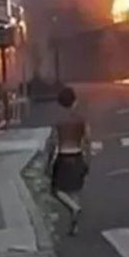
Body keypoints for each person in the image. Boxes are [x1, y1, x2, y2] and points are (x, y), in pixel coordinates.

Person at [46, 86, 90, 235]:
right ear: (74, 101)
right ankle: (74, 226)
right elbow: (88, 140)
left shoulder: (58, 121)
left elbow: (53, 142)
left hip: (63, 158)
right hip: (78, 156)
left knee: (56, 190)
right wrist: (87, 161)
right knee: (74, 191)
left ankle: (73, 208)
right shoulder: (81, 119)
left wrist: (48, 163)